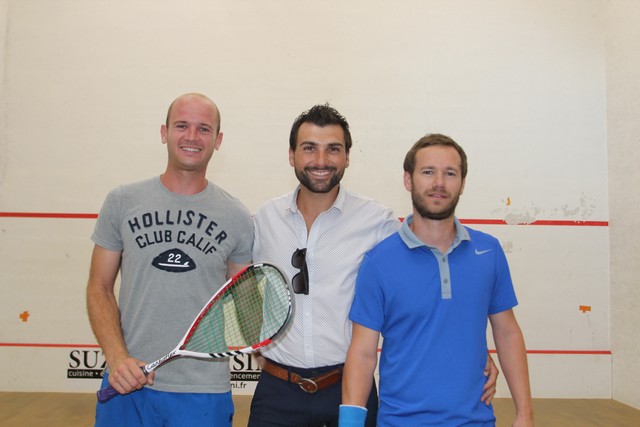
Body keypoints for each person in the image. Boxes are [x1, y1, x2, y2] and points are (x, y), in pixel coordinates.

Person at [248, 106, 499, 427]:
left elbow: (427, 285)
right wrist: (258, 347)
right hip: (276, 393)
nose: (321, 160)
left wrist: (474, 350)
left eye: (333, 149)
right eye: (309, 148)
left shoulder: (378, 222)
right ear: (291, 155)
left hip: (351, 388)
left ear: (347, 157)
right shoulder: (264, 219)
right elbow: (244, 288)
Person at [340, 134, 534, 426]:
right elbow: (363, 353)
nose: (439, 183)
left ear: (463, 183)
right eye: (428, 172)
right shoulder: (378, 262)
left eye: (450, 173)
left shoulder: (488, 251)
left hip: (475, 421)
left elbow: (507, 333)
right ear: (408, 180)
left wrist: (525, 414)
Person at [86, 93, 254, 426]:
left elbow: (247, 304)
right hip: (127, 380)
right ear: (164, 132)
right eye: (181, 126)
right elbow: (99, 287)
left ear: (218, 140)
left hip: (203, 391)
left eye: (204, 129)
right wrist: (116, 357)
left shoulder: (236, 216)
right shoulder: (122, 201)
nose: (192, 137)